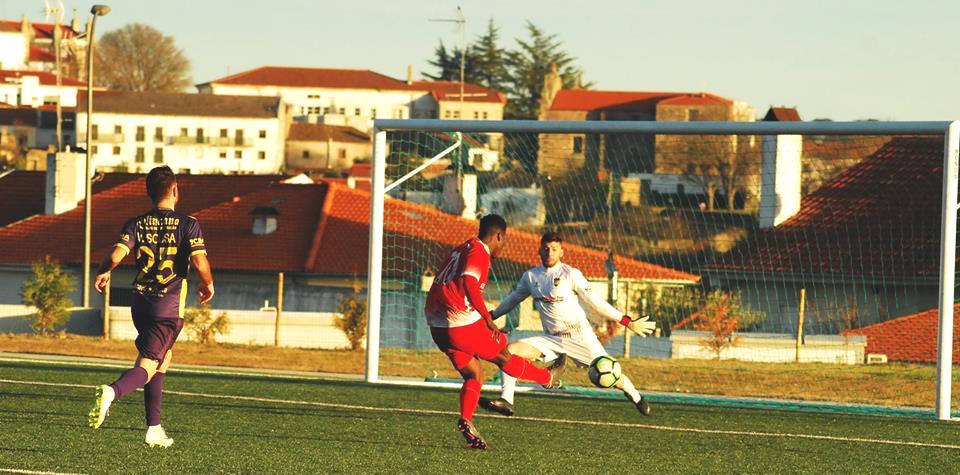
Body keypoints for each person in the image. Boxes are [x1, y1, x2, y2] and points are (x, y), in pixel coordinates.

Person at [87, 166, 215, 448]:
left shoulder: (136, 223)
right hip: (166, 307)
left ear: (148, 193)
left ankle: (154, 428)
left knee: (161, 359)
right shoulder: (188, 223)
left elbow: (117, 254)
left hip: (140, 303)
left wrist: (104, 270)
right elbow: (199, 262)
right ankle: (112, 391)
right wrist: (208, 283)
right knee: (148, 364)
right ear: (175, 190)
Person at [424, 214, 567, 450]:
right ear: (498, 235)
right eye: (504, 239)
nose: (503, 244)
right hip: (460, 322)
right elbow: (469, 284)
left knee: (475, 374)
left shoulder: (463, 248)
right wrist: (486, 318)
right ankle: (547, 379)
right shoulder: (480, 252)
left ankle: (466, 420)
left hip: (438, 327)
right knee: (502, 354)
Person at [478, 232, 656, 417]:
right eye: (546, 249)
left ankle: (636, 397)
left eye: (554, 249)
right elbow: (512, 299)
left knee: (609, 373)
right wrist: (489, 318)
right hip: (551, 338)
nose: (550, 253)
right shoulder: (531, 276)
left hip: (580, 337)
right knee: (510, 351)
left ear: (562, 252)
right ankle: (507, 400)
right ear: (539, 250)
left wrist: (626, 321)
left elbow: (594, 301)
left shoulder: (570, 274)